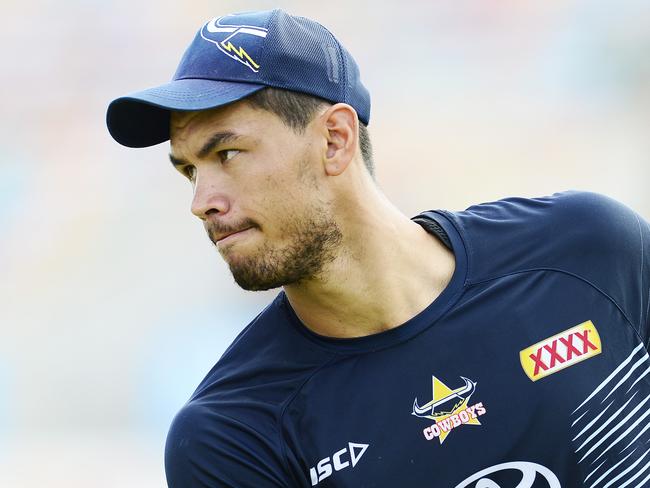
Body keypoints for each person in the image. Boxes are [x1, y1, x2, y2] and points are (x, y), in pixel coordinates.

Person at [106, 9, 650, 488]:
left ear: (335, 140)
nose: (201, 202)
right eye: (188, 170)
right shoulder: (232, 435)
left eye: (225, 153)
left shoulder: (589, 253)